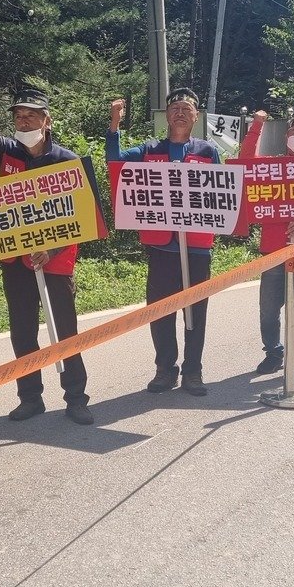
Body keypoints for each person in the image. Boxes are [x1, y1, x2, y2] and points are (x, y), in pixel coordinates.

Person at [0, 53, 93, 426]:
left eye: (31, 115)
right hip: (16, 261)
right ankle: (30, 397)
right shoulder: (6, 151)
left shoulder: (67, 161)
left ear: (47, 121)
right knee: (23, 332)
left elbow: (83, 217)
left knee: (65, 332)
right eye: (18, 116)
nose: (23, 121)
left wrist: (53, 248)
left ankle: (77, 397)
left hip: (57, 262)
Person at [106, 88, 222, 396]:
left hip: (197, 247)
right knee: (160, 311)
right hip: (161, 247)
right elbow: (115, 162)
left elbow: (224, 193)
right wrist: (114, 126)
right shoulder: (149, 149)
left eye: (187, 108)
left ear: (196, 116)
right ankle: (165, 369)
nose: (181, 113)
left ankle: (193, 371)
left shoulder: (208, 152)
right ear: (166, 116)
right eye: (175, 108)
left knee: (195, 312)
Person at [239, 110, 294, 378]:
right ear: (285, 137)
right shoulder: (272, 168)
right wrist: (257, 126)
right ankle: (273, 354)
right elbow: (245, 162)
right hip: (274, 250)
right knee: (268, 309)